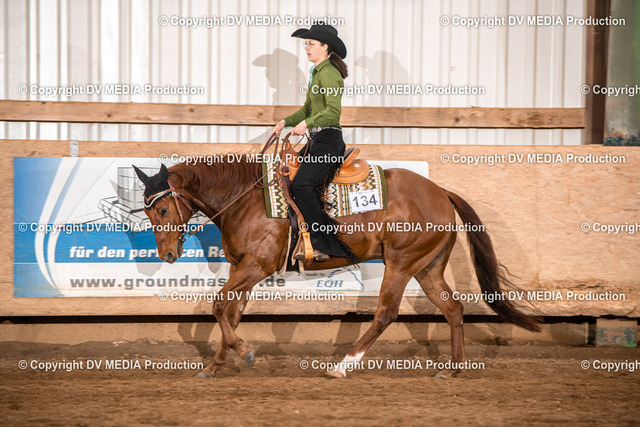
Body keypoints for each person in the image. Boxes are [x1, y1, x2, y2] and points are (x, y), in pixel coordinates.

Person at [272, 24, 356, 263]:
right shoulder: (317, 72)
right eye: (305, 44)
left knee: (302, 185)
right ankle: (298, 237)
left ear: (325, 47)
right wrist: (285, 122)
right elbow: (308, 109)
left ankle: (324, 244)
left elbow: (333, 111)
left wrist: (306, 124)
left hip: (328, 141)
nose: (306, 48)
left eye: (311, 43)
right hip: (318, 140)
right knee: (287, 176)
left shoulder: (329, 73)